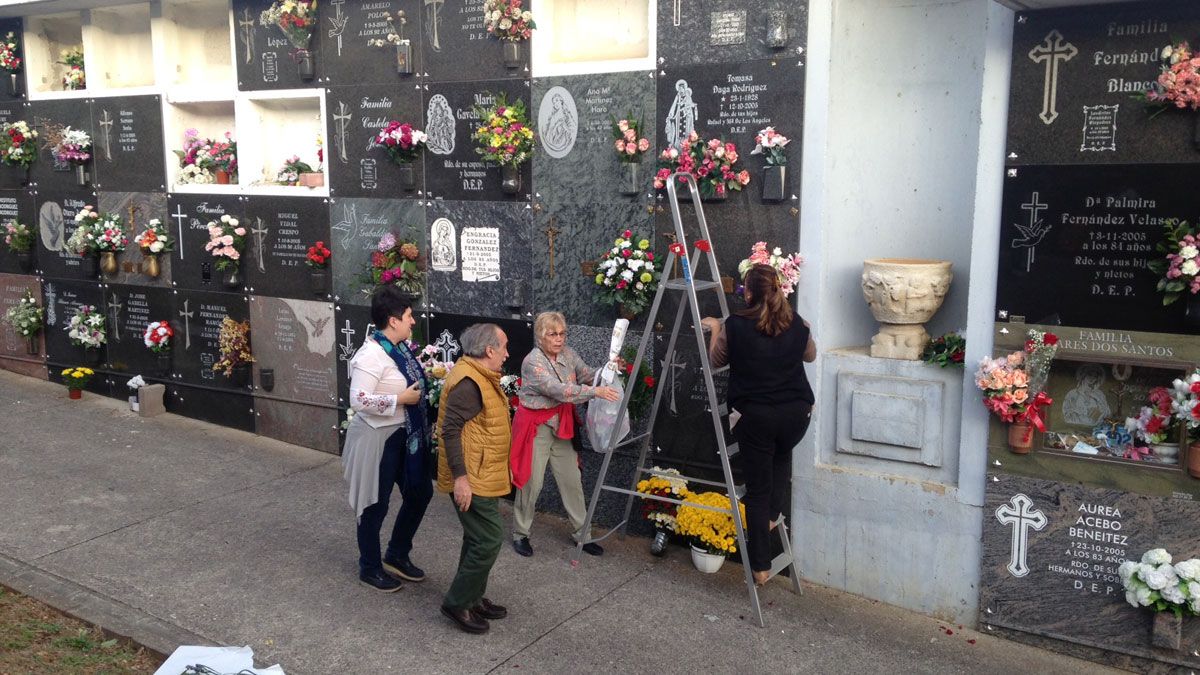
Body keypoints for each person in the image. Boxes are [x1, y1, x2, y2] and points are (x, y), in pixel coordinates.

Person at [701, 263, 816, 587]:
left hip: (756, 417)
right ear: (778, 288)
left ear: (748, 292)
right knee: (780, 457)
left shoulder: (734, 325)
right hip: (796, 415)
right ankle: (770, 517)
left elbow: (716, 361)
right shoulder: (798, 323)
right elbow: (810, 356)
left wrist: (713, 328)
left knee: (757, 489)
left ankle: (761, 567)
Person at [341, 286, 433, 592]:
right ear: (393, 320)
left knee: (420, 493)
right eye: (408, 315)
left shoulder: (400, 349)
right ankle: (369, 566)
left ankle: (396, 553)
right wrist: (399, 399)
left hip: (405, 437)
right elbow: (358, 399)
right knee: (374, 505)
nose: (413, 320)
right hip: (378, 439)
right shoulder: (371, 355)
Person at [509, 312, 620, 558]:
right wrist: (595, 392)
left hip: (561, 424)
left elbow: (588, 374)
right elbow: (558, 390)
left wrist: (609, 369)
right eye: (553, 334)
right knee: (531, 482)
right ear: (540, 336)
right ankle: (520, 533)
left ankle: (583, 534)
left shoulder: (568, 353)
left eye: (562, 334)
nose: (559, 339)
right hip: (536, 427)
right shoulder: (532, 361)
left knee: (572, 480)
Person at [436, 323, 512, 634]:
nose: (508, 353)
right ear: (489, 350)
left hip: (484, 472)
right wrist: (461, 480)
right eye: (504, 347)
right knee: (489, 539)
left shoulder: (479, 376)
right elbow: (450, 430)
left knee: (477, 537)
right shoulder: (469, 382)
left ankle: (473, 596)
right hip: (473, 476)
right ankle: (457, 602)